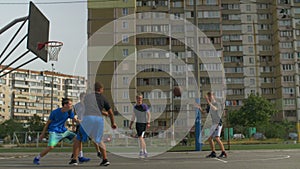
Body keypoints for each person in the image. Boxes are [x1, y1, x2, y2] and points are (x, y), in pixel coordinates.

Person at [69, 82, 117, 166]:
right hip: (98, 119)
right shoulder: (104, 98)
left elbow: (85, 107)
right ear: (101, 89)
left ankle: (74, 159)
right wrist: (113, 123)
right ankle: (105, 159)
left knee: (78, 139)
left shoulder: (87, 97)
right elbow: (111, 113)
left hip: (88, 118)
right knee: (99, 140)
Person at [33, 98, 77, 165]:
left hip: (63, 131)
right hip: (54, 131)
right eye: (70, 104)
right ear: (65, 105)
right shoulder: (54, 112)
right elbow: (48, 123)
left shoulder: (69, 112)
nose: (71, 105)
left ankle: (74, 157)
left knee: (77, 139)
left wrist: (82, 121)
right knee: (51, 147)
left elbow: (75, 119)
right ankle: (37, 158)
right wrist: (43, 134)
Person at [197, 92, 227, 158]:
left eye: (210, 96)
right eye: (208, 96)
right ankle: (213, 152)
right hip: (214, 124)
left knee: (216, 138)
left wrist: (208, 101)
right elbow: (204, 113)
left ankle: (223, 152)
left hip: (218, 123)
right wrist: (200, 108)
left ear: (213, 97)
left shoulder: (217, 104)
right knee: (209, 137)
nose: (209, 98)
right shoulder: (209, 105)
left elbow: (215, 109)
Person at [129, 93, 151, 158]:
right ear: (136, 99)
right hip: (137, 124)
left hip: (143, 123)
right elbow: (133, 116)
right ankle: (141, 150)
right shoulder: (135, 107)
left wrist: (148, 122)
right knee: (140, 138)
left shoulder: (144, 106)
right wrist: (130, 124)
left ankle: (145, 151)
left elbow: (149, 114)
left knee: (141, 137)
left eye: (141, 98)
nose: (139, 100)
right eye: (138, 98)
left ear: (142, 99)